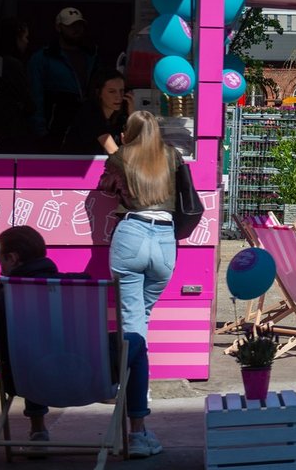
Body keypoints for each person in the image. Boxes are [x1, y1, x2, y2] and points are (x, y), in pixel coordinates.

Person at [0, 227, 157, 455]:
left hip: (27, 381)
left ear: (12, 258)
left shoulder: (3, 297)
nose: (0, 266)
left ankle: (38, 432)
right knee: (136, 342)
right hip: (88, 377)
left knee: (31, 347)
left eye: (0, 260)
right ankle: (137, 435)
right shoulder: (77, 287)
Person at [98, 111, 190, 456]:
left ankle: (112, 382)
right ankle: (139, 426)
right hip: (165, 242)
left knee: (132, 329)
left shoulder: (121, 156)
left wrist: (115, 150)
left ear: (128, 133)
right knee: (140, 328)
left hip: (131, 234)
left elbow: (104, 187)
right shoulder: (173, 156)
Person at [26, 6, 98, 152]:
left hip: (84, 121)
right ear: (59, 27)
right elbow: (35, 94)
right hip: (55, 123)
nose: (76, 30)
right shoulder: (43, 57)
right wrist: (40, 129)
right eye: (71, 26)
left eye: (79, 25)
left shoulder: (90, 56)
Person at [0, 17, 34, 152]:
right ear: (15, 38)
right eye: (25, 37)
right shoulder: (13, 65)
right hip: (12, 131)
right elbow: (28, 102)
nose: (27, 41)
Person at [62, 68, 130, 155]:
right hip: (74, 166)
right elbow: (114, 152)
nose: (119, 96)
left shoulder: (119, 117)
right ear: (99, 93)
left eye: (121, 91)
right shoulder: (90, 113)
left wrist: (132, 114)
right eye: (112, 91)